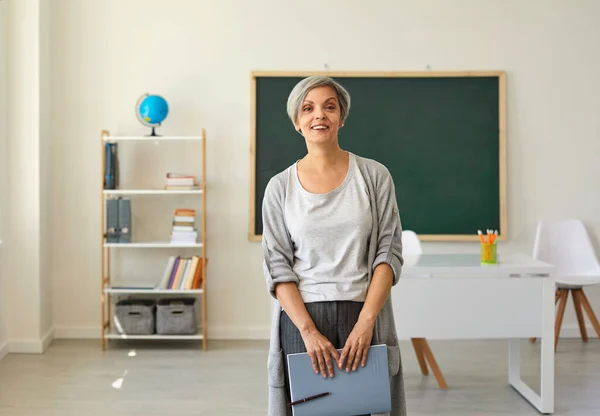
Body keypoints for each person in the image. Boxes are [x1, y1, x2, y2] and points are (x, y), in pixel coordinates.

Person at [262, 75, 407, 416]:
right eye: (308, 109)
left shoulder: (375, 176)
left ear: (342, 116)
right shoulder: (279, 188)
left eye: (329, 107)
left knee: (364, 412)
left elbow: (389, 253)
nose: (319, 116)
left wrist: (365, 323)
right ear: (297, 122)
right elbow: (277, 267)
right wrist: (308, 331)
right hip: (302, 321)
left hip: (364, 315)